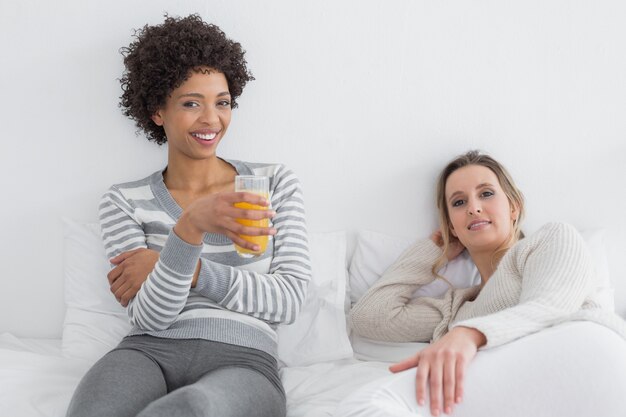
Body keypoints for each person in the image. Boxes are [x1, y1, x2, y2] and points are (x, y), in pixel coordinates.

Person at [66, 14, 310, 417]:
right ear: (157, 111)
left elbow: (287, 301)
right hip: (147, 352)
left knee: (191, 409)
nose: (211, 119)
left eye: (223, 102)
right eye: (191, 103)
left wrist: (183, 266)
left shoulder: (271, 183)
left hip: (244, 360)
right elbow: (149, 315)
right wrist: (190, 226)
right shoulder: (124, 200)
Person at [336, 150, 626, 417]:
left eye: (486, 194)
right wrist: (432, 252)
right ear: (452, 226)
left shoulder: (550, 240)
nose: (473, 208)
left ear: (514, 207)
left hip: (583, 363)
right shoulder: (456, 310)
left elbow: (552, 307)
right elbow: (368, 318)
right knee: (365, 404)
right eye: (459, 202)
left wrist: (469, 336)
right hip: (516, 398)